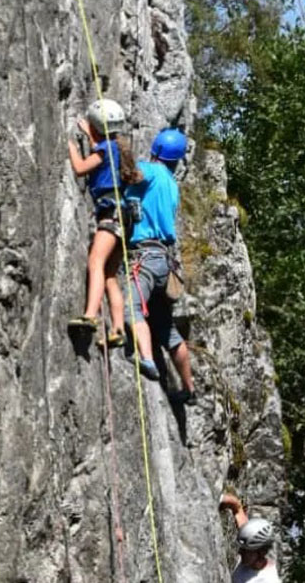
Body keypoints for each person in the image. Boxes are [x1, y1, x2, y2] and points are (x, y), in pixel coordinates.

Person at [122, 128, 195, 403]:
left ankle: (147, 360)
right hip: (165, 262)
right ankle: (189, 389)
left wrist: (119, 150)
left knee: (132, 306)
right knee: (166, 328)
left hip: (146, 257)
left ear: (156, 151)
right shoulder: (172, 185)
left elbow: (134, 175)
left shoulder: (151, 171)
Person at [66, 99, 142, 347]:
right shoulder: (115, 147)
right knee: (110, 275)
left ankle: (90, 316)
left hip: (110, 217)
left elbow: (80, 168)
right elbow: (102, 154)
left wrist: (69, 146)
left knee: (95, 262)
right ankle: (118, 329)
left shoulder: (105, 148)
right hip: (125, 220)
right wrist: (90, 136)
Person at [219, 493, 282, 582]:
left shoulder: (268, 579)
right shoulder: (250, 550)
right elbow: (237, 509)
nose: (240, 552)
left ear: (260, 552)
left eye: (245, 551)